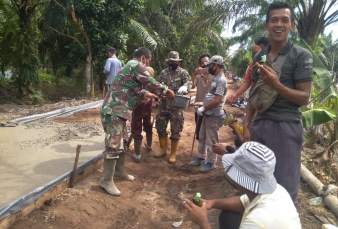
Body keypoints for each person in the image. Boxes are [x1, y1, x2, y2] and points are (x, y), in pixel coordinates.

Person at [243, 1, 313, 204]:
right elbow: (255, 93)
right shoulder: (260, 56)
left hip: (286, 127)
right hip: (260, 125)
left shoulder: (301, 55)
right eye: (274, 20)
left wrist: (276, 84)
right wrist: (247, 124)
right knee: (257, 182)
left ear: (293, 25)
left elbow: (304, 97)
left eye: (284, 20)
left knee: (284, 187)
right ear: (266, 25)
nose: (279, 24)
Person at [99, 47, 175, 196]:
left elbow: (137, 90)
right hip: (114, 109)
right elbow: (150, 81)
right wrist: (166, 90)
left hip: (120, 110)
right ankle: (106, 180)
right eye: (148, 60)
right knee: (113, 144)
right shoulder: (135, 65)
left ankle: (119, 171)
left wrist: (152, 95)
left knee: (123, 140)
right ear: (142, 57)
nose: (147, 64)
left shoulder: (129, 69)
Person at [183, 142, 302, 229]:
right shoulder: (277, 191)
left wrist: (202, 221)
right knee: (228, 216)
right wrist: (212, 203)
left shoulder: (256, 222)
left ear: (241, 180)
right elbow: (242, 202)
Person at [189, 55, 227, 172]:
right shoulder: (215, 78)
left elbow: (217, 100)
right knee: (202, 136)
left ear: (216, 66)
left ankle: (211, 162)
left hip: (213, 114)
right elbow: (210, 96)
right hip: (207, 112)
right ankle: (201, 156)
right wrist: (202, 105)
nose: (208, 67)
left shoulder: (221, 80)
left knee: (211, 139)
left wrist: (203, 107)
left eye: (210, 65)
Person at [155, 51, 192, 163]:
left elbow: (189, 82)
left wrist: (185, 87)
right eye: (170, 61)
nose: (172, 63)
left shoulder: (183, 73)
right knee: (160, 127)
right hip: (163, 104)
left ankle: (173, 153)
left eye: (174, 61)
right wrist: (161, 93)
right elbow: (158, 85)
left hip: (176, 105)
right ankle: (163, 150)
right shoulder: (163, 73)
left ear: (178, 62)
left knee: (175, 129)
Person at [229, 37, 269, 123]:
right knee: (247, 121)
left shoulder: (273, 62)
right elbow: (247, 82)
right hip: (252, 98)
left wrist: (261, 53)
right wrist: (236, 94)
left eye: (263, 50)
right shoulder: (252, 64)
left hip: (266, 99)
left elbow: (267, 68)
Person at [130, 65, 156, 163]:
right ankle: (149, 145)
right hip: (148, 100)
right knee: (147, 122)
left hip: (140, 102)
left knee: (136, 125)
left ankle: (137, 154)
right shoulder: (150, 69)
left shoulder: (138, 69)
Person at [191, 54, 215, 140]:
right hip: (199, 108)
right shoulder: (198, 75)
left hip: (211, 107)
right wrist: (194, 74)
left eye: (206, 62)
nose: (204, 64)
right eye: (202, 63)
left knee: (210, 132)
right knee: (199, 132)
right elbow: (192, 86)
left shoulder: (215, 76)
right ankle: (201, 152)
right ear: (200, 64)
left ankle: (208, 151)